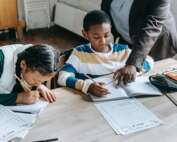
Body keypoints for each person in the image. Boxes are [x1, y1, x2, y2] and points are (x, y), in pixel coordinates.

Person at [58, 10, 154, 97]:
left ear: (111, 30)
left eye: (107, 35)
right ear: (85, 34)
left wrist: (133, 69)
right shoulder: (80, 54)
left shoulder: (122, 50)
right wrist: (87, 86)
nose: (103, 41)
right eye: (96, 37)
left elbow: (149, 61)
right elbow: (62, 77)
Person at [101, 0, 177, 85]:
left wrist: (133, 63)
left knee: (154, 84)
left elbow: (151, 28)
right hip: (129, 40)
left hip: (158, 45)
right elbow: (107, 17)